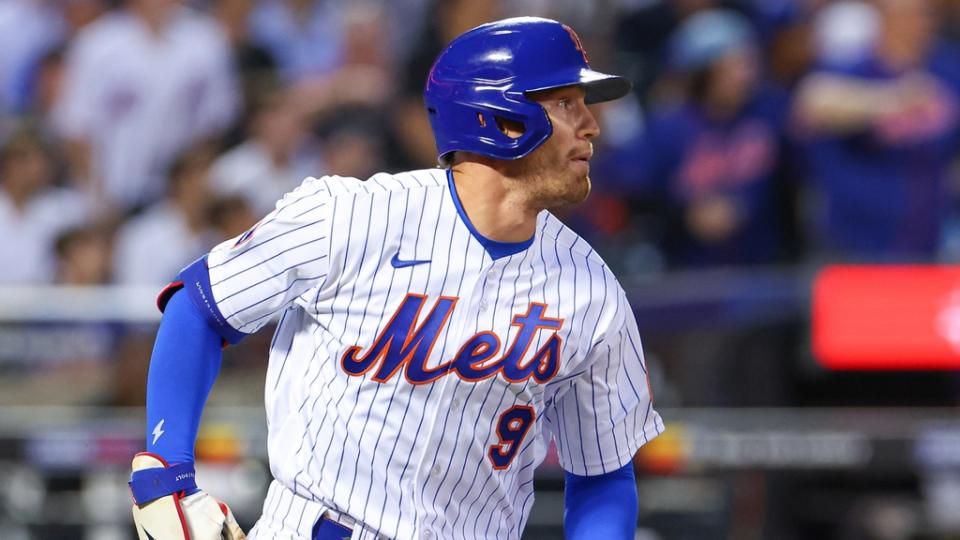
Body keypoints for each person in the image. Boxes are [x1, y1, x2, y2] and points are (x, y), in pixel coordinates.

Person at [128, 17, 663, 540]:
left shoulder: (593, 291)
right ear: (501, 117)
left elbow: (602, 473)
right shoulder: (351, 216)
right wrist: (165, 470)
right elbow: (200, 306)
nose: (592, 124)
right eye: (567, 103)